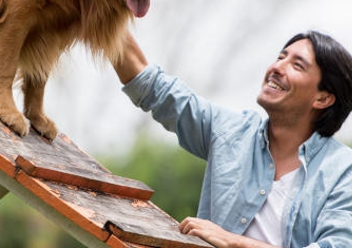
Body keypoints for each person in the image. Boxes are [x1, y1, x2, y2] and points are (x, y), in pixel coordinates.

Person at [112, 30, 352, 248]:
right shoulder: (231, 132)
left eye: (297, 65)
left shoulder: (343, 172)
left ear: (323, 98)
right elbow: (155, 89)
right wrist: (103, 11)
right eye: (281, 57)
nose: (277, 67)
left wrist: (232, 242)